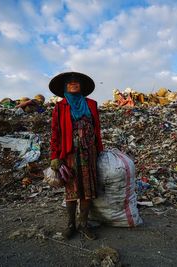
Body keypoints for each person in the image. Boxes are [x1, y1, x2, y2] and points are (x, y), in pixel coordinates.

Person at [49, 72, 103, 240]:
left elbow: (97, 129)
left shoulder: (91, 104)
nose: (73, 84)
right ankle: (71, 224)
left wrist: (99, 149)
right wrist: (54, 155)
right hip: (70, 153)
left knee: (87, 191)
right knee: (72, 191)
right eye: (70, 82)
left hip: (89, 152)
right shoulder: (60, 107)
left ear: (81, 86)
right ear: (65, 87)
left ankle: (84, 224)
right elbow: (55, 133)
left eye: (76, 82)